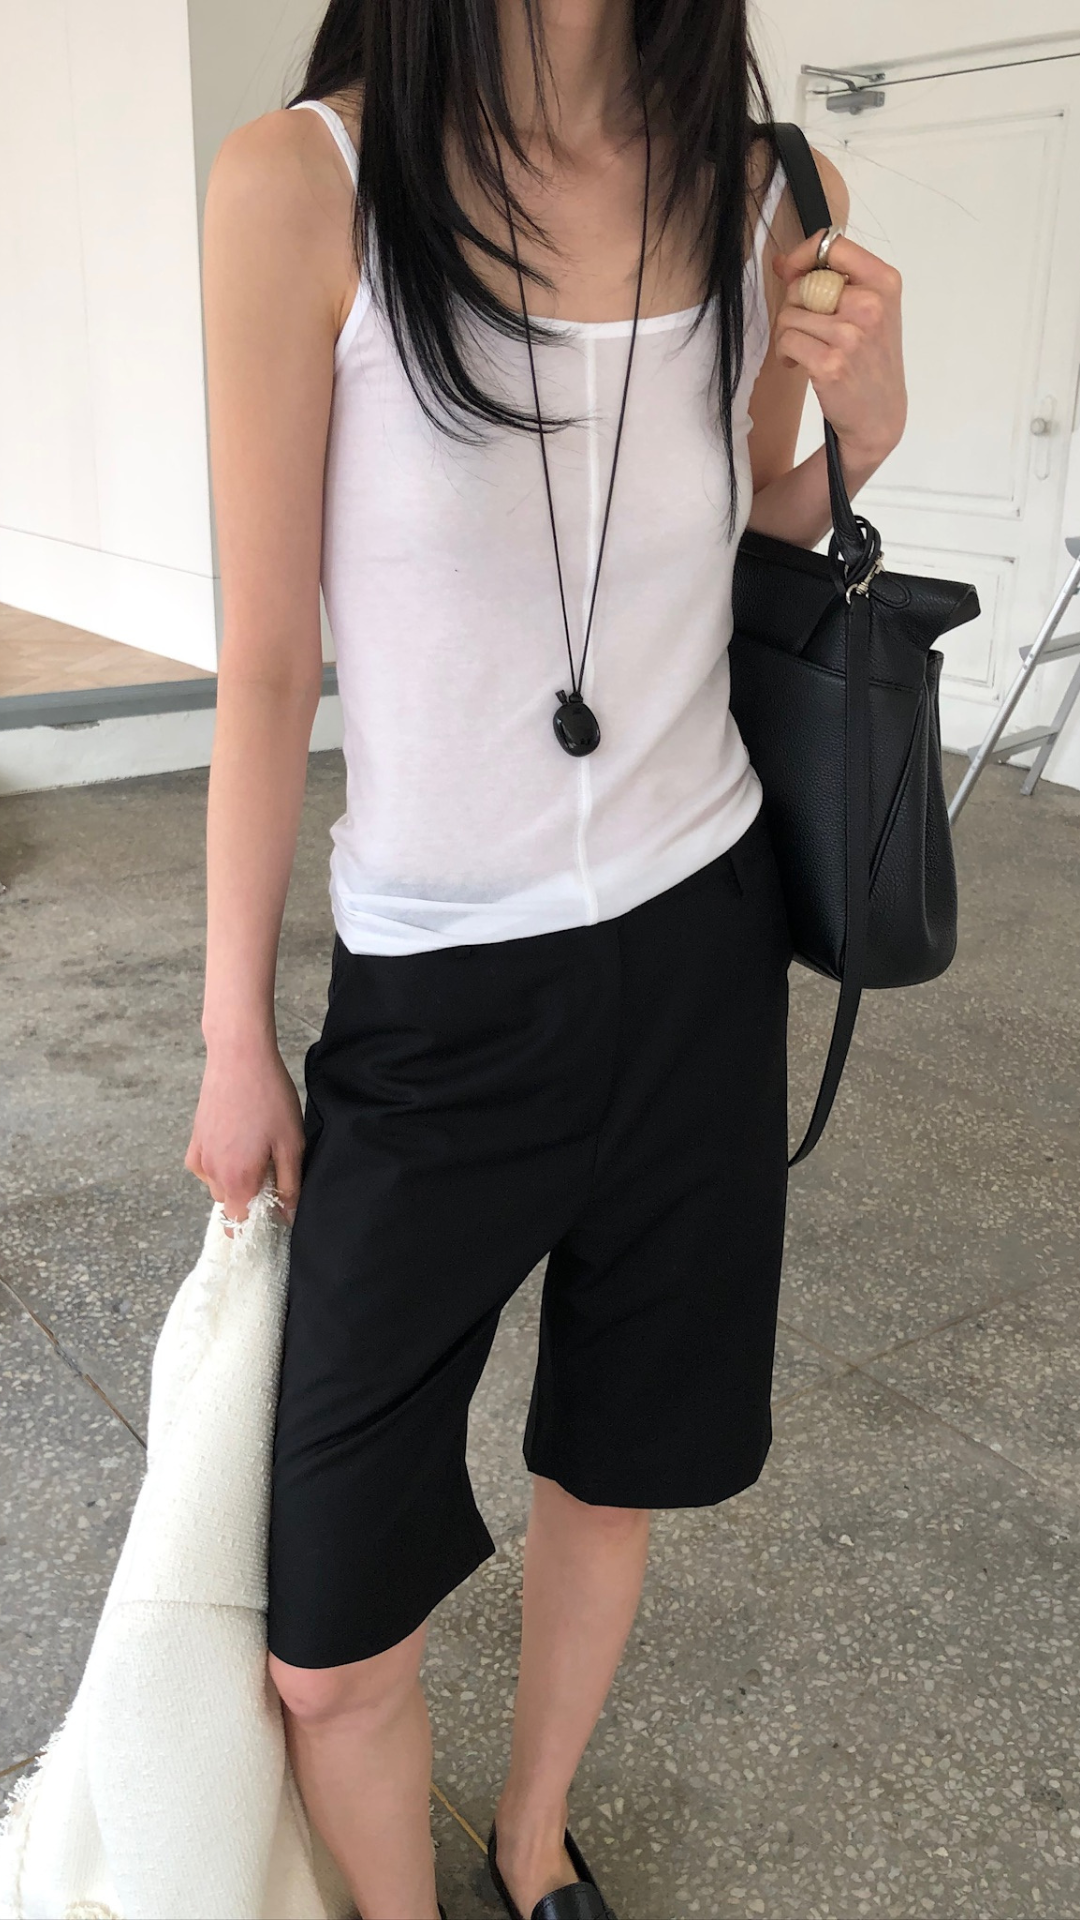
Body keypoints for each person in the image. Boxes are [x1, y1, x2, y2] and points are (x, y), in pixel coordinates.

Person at [187, 2, 906, 1914]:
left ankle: (528, 1838)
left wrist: (870, 424)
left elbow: (754, 535)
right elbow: (269, 656)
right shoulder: (304, 187)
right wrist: (233, 1031)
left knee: (618, 1459)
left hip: (703, 946)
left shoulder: (771, 193)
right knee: (328, 1636)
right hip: (436, 995)